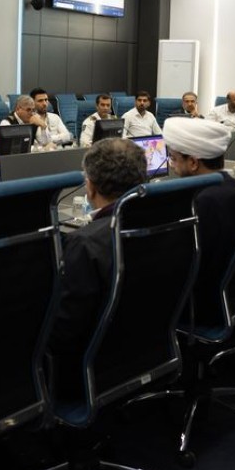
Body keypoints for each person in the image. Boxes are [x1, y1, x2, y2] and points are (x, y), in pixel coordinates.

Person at [48, 138, 146, 401]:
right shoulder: (159, 220)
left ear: (90, 185)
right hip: (145, 347)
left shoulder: (86, 243)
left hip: (94, 371)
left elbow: (63, 330)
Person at [161, 117, 235, 327]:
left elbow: (180, 265)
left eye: (173, 159)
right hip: (233, 294)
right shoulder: (233, 186)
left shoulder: (202, 203)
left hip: (200, 306)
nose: (172, 166)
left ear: (193, 162)